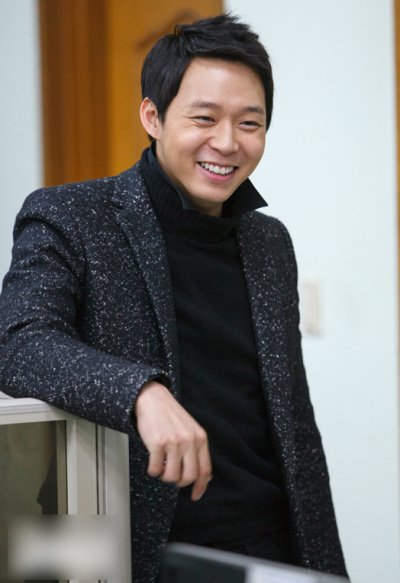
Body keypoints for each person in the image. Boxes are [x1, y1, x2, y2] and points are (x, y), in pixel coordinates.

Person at [0, 13, 348, 583]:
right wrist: (142, 392)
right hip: (136, 547)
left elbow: (296, 430)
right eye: (204, 118)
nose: (227, 143)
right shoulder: (72, 216)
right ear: (153, 116)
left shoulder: (270, 242)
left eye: (250, 123)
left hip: (271, 543)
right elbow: (19, 345)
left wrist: (327, 568)